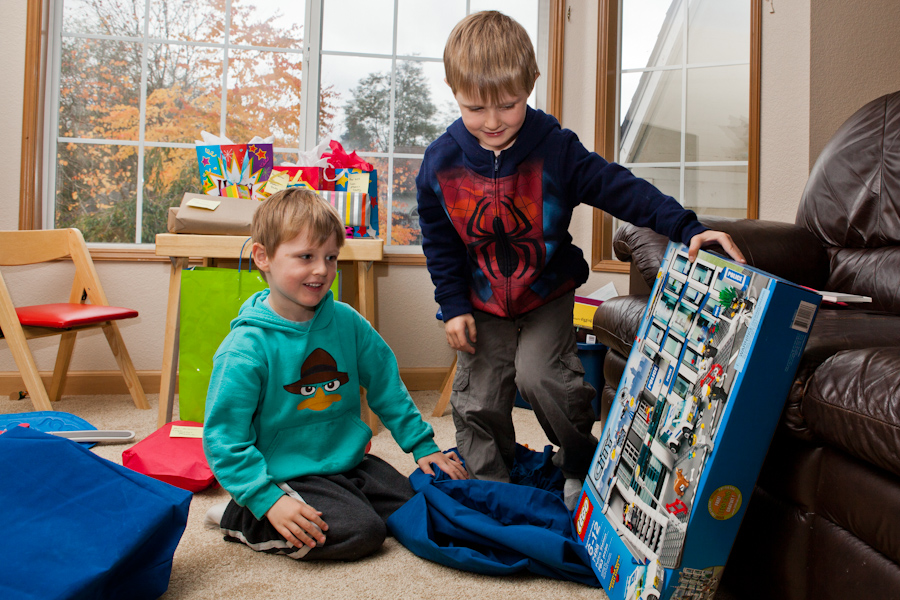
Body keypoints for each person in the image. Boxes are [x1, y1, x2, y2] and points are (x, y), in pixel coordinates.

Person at [416, 11, 745, 510]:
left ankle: (576, 462)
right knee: (479, 397)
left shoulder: (556, 149)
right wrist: (453, 304)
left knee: (542, 378)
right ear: (453, 91)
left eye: (507, 105)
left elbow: (622, 190)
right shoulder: (440, 163)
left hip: (546, 290)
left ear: (531, 84)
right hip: (480, 297)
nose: (492, 122)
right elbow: (438, 239)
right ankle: (492, 486)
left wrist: (688, 227)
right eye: (474, 108)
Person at [203, 188, 467, 561]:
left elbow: (386, 387)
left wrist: (423, 446)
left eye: (330, 257)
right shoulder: (244, 348)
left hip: (348, 461)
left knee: (419, 508)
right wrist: (266, 499)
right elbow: (223, 441)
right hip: (284, 474)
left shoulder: (348, 322)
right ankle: (240, 515)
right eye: (306, 256)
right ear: (263, 257)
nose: (322, 270)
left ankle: (338, 500)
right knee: (362, 533)